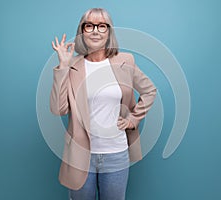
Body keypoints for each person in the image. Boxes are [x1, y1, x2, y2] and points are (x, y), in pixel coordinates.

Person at [50, 7, 156, 200]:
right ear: (82, 31)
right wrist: (63, 66)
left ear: (109, 32)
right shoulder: (73, 66)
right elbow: (58, 109)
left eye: (102, 26)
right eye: (89, 25)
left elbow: (150, 91)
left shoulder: (125, 61)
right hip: (80, 155)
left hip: (116, 154)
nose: (96, 30)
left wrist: (133, 119)